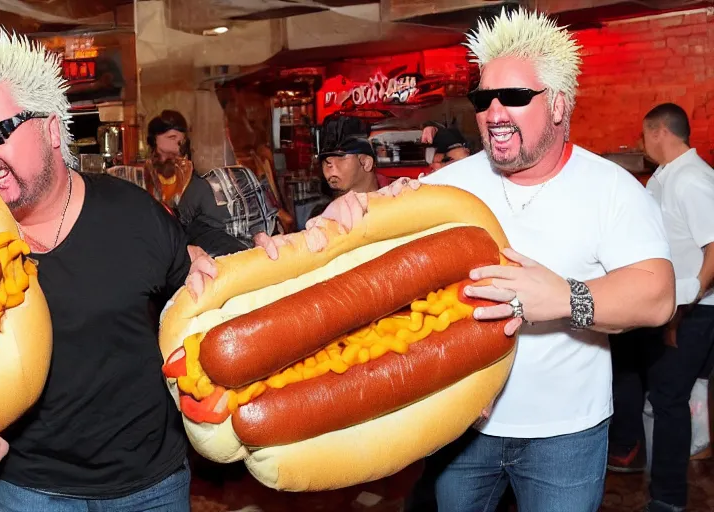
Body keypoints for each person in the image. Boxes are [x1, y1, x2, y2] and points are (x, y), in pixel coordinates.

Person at [301, 8, 676, 511]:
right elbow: (372, 257)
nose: (494, 112)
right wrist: (347, 211)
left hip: (564, 433)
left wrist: (563, 297)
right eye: (484, 98)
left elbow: (657, 296)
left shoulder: (611, 189)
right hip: (461, 427)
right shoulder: (447, 186)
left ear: (559, 104)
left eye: (516, 98)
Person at [0, 29, 225, 511]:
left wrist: (209, 262)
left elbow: (198, 302)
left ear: (49, 128)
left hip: (149, 485)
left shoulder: (131, 214)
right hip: (30, 489)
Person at [606, 103, 714, 512]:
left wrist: (690, 297)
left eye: (643, 134)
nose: (642, 142)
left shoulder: (690, 180)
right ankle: (632, 452)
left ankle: (668, 499)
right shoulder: (669, 178)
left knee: (668, 399)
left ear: (658, 132)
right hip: (671, 307)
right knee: (638, 375)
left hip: (694, 310)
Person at [142, 110, 193, 213]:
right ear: (155, 138)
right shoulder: (144, 172)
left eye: (181, 140)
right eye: (172, 137)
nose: (178, 143)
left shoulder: (186, 170)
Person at [318, 116, 380, 197]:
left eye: (340, 156)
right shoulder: (329, 209)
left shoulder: (396, 199)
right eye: (324, 158)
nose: (328, 164)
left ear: (366, 163)